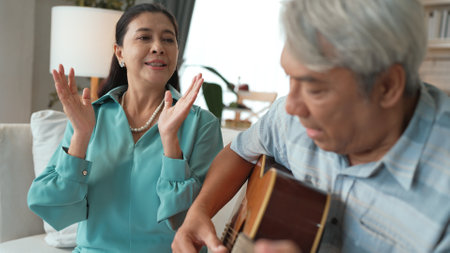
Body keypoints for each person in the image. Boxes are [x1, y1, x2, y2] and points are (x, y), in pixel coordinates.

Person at [172, 0, 450, 252]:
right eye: (290, 78)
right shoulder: (288, 119)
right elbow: (240, 151)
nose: (291, 106)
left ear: (387, 86)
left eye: (315, 90)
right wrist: (201, 210)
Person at [27, 3, 223, 252]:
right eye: (144, 37)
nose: (158, 47)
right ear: (119, 53)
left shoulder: (202, 125)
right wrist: (81, 136)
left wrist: (170, 141)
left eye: (168, 39)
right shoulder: (89, 118)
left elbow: (185, 222)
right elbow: (54, 207)